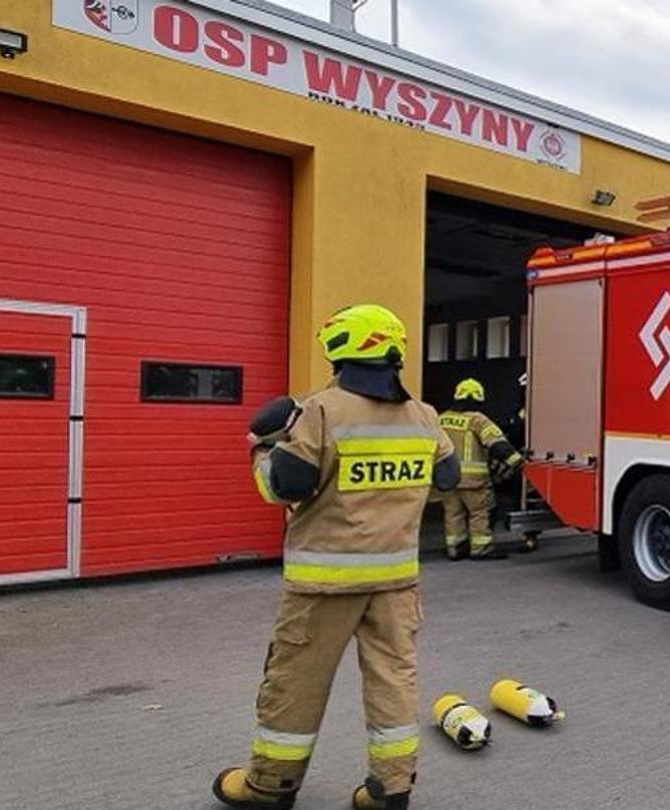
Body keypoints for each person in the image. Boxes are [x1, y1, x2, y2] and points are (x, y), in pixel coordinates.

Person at [213, 304, 458, 810]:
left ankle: (269, 786)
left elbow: (286, 486)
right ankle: (391, 789)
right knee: (395, 681)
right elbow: (448, 480)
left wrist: (261, 449)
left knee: (295, 682)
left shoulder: (321, 411)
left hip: (323, 585)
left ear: (340, 350)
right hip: (396, 584)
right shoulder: (425, 416)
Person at [437, 378, 524, 561]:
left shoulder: (441, 418)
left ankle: (455, 548)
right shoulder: (478, 420)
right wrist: (517, 462)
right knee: (480, 513)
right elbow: (497, 445)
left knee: (453, 513)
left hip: (447, 478)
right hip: (473, 481)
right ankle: (480, 548)